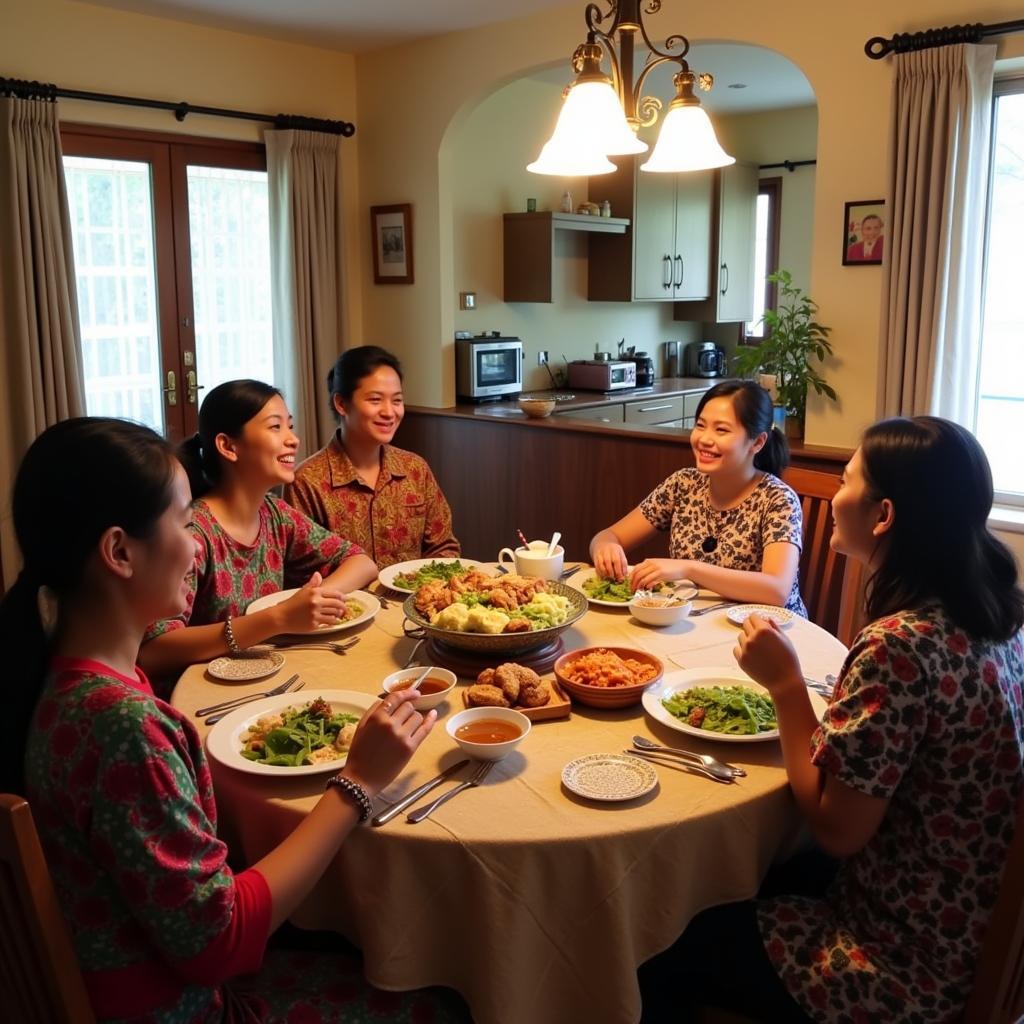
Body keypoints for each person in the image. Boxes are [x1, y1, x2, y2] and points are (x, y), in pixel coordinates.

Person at [0, 417, 458, 1023]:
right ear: (118, 552)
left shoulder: (66, 678)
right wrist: (358, 784)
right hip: (184, 1005)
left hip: (145, 972)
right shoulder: (122, 727)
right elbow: (223, 941)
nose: (195, 545)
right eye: (186, 523)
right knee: (439, 989)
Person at [639, 416, 1024, 1022]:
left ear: (883, 515)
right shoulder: (995, 614)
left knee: (658, 933)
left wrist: (787, 685)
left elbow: (835, 831)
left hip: (898, 960)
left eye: (845, 479)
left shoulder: (901, 646)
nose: (835, 489)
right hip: (961, 912)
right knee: (754, 862)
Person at [139, 379, 378, 678]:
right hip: (203, 693)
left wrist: (309, 604)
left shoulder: (274, 514)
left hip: (266, 677)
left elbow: (362, 562)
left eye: (289, 426)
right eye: (275, 427)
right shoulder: (195, 532)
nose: (293, 439)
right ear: (228, 446)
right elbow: (155, 648)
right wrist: (278, 618)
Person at [590, 379, 807, 614]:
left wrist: (689, 569)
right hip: (695, 623)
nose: (704, 439)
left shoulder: (778, 499)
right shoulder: (684, 484)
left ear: (757, 442)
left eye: (721, 430)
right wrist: (606, 548)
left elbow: (776, 590)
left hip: (768, 634)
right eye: (700, 425)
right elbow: (608, 535)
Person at [284, 346, 459, 569]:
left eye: (396, 401)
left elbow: (444, 547)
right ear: (341, 404)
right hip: (347, 603)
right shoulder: (307, 481)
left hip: (414, 600)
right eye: (375, 400)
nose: (389, 412)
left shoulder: (415, 469)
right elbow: (301, 571)